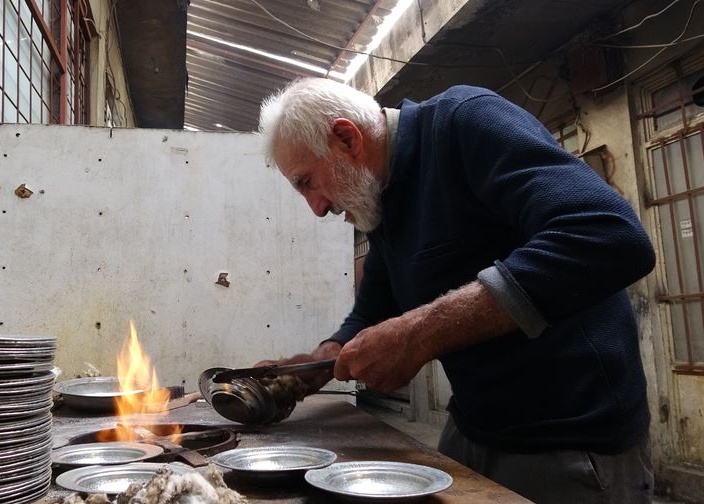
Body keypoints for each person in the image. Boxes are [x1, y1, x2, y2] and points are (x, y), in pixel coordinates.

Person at [255, 77, 656, 504]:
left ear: (346, 137)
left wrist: (420, 332)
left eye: (306, 182)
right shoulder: (382, 202)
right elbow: (372, 311)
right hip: (471, 429)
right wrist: (320, 363)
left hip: (570, 441)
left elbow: (610, 235)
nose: (317, 208)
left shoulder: (464, 120)